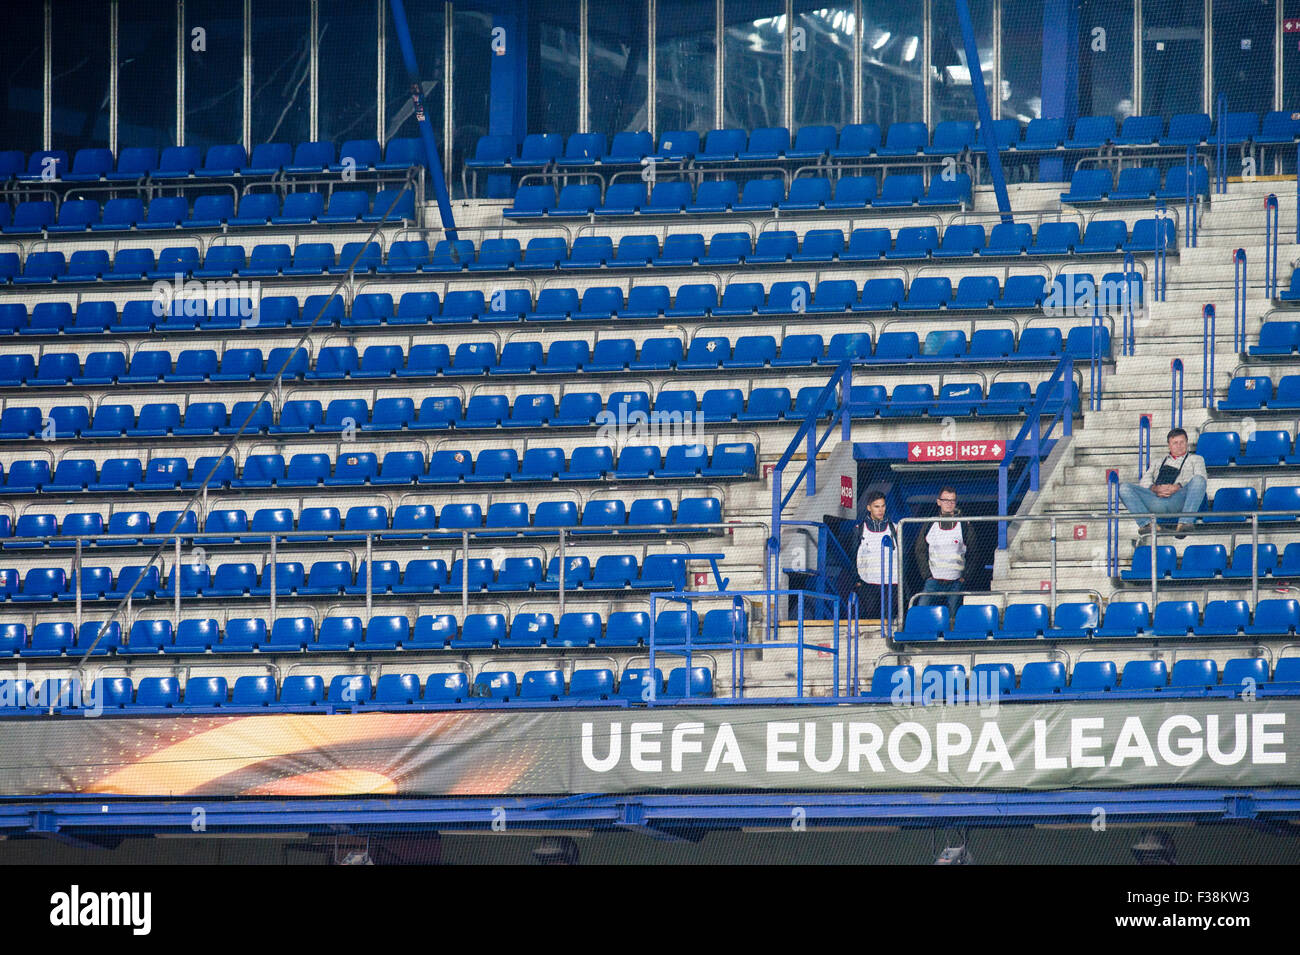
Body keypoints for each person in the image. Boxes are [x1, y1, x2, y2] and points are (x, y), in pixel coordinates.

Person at [1118, 427, 1207, 537]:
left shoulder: (1196, 459)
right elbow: (1144, 481)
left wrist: (1178, 486)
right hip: (1157, 499)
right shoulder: (1157, 462)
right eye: (1175, 443)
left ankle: (1184, 523)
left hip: (1180, 499)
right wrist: (1155, 488)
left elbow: (1201, 478)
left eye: (1182, 442)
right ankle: (1148, 525)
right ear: (1169, 445)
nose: (1179, 446)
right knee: (1124, 487)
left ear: (1187, 443)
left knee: (1199, 480)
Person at [914, 487, 966, 618]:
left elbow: (974, 552)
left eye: (952, 500)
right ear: (938, 502)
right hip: (933, 581)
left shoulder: (964, 525)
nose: (949, 503)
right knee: (921, 613)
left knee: (954, 618)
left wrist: (965, 576)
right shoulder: (930, 524)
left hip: (955, 582)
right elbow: (920, 550)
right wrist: (927, 575)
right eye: (945, 500)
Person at [855, 491, 901, 621]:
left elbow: (904, 556)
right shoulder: (860, 529)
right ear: (869, 507)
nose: (880, 510)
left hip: (891, 583)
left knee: (888, 619)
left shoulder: (895, 528)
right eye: (876, 506)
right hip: (868, 583)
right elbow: (854, 556)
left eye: (883, 506)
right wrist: (858, 580)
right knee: (870, 618)